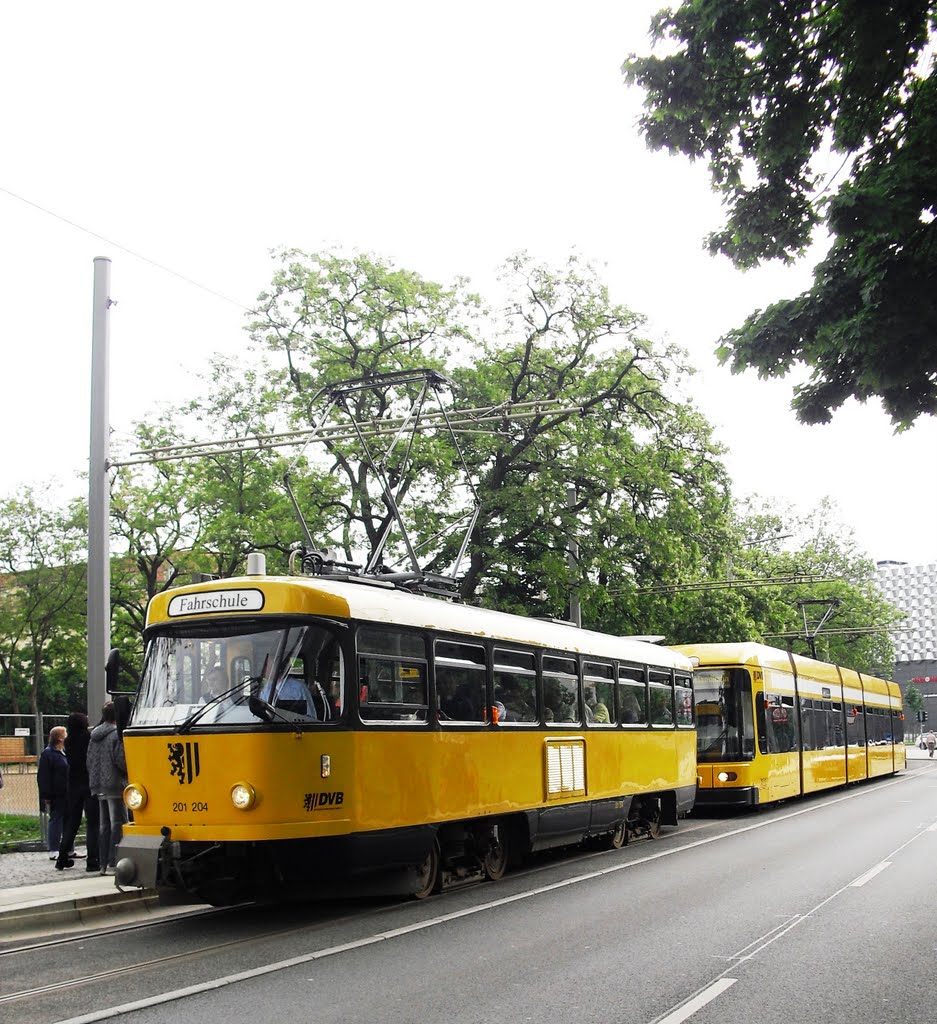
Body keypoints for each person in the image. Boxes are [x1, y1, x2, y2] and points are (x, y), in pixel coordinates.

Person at [56, 712, 100, 872]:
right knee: (93, 823)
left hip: (73, 784)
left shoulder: (68, 741)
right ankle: (93, 860)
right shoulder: (89, 738)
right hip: (89, 782)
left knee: (72, 823)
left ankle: (62, 857)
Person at [87, 702, 128, 874]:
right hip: (115, 784)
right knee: (117, 823)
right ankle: (113, 862)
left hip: (98, 785)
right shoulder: (115, 735)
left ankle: (102, 864)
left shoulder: (94, 735)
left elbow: (89, 760)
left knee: (103, 826)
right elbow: (121, 760)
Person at [37, 725, 69, 860]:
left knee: (68, 820)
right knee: (56, 819)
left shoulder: (63, 752)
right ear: (60, 738)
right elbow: (43, 776)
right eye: (65, 734)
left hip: (67, 792)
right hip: (56, 793)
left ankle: (68, 848)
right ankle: (54, 849)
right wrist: (46, 795)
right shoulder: (48, 754)